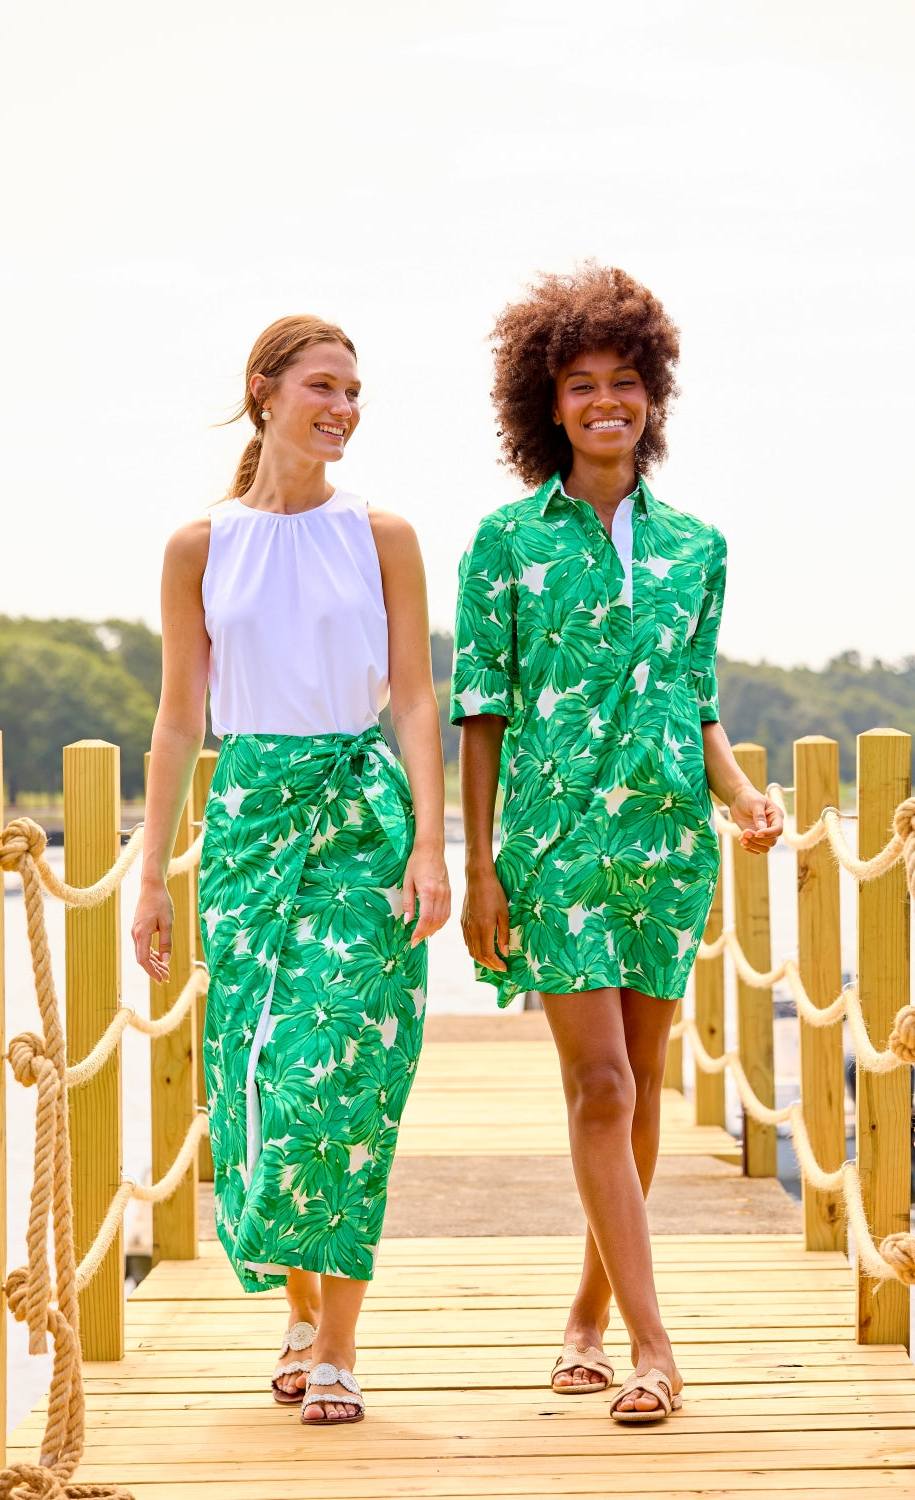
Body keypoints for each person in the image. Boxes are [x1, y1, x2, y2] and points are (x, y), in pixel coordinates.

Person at [452, 265, 781, 1423]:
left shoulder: (699, 547)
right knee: (596, 1084)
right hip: (551, 848)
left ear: (653, 397)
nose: (605, 401)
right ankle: (656, 1346)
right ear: (546, 403)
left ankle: (586, 1316)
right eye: (581, 384)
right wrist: (481, 858)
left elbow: (691, 704)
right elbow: (481, 712)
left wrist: (740, 792)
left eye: (625, 382)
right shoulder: (503, 543)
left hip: (664, 848)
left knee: (639, 1092)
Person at [133, 314, 450, 1426]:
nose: (343, 408)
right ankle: (299, 1312)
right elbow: (178, 721)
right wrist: (150, 873)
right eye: (323, 386)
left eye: (355, 391)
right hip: (248, 826)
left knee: (340, 1077)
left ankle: (340, 1345)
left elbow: (416, 696)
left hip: (363, 820)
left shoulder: (384, 534)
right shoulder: (198, 545)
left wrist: (429, 840)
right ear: (264, 392)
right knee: (256, 1076)